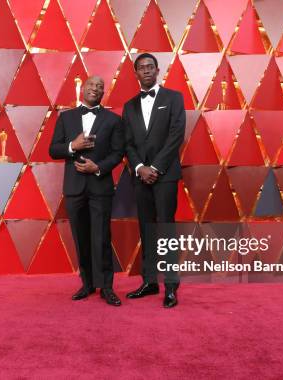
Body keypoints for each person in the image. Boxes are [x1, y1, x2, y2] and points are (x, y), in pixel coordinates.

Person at [49, 76, 125, 306]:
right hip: (74, 188)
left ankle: (107, 287)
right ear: (83, 88)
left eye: (100, 87)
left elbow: (117, 153)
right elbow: (53, 149)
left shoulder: (113, 120)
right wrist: (74, 146)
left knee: (102, 237)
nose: (96, 89)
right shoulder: (66, 117)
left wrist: (98, 167)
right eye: (92, 85)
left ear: (104, 93)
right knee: (81, 237)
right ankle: (87, 283)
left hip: (100, 186)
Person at [122, 53, 185, 308]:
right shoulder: (129, 106)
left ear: (157, 71)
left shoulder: (174, 98)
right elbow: (127, 143)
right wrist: (139, 167)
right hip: (140, 177)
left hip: (165, 175)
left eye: (150, 67)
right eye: (141, 68)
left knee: (166, 228)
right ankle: (149, 282)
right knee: (146, 228)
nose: (146, 71)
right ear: (135, 73)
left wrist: (155, 167)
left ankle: (171, 287)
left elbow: (176, 135)